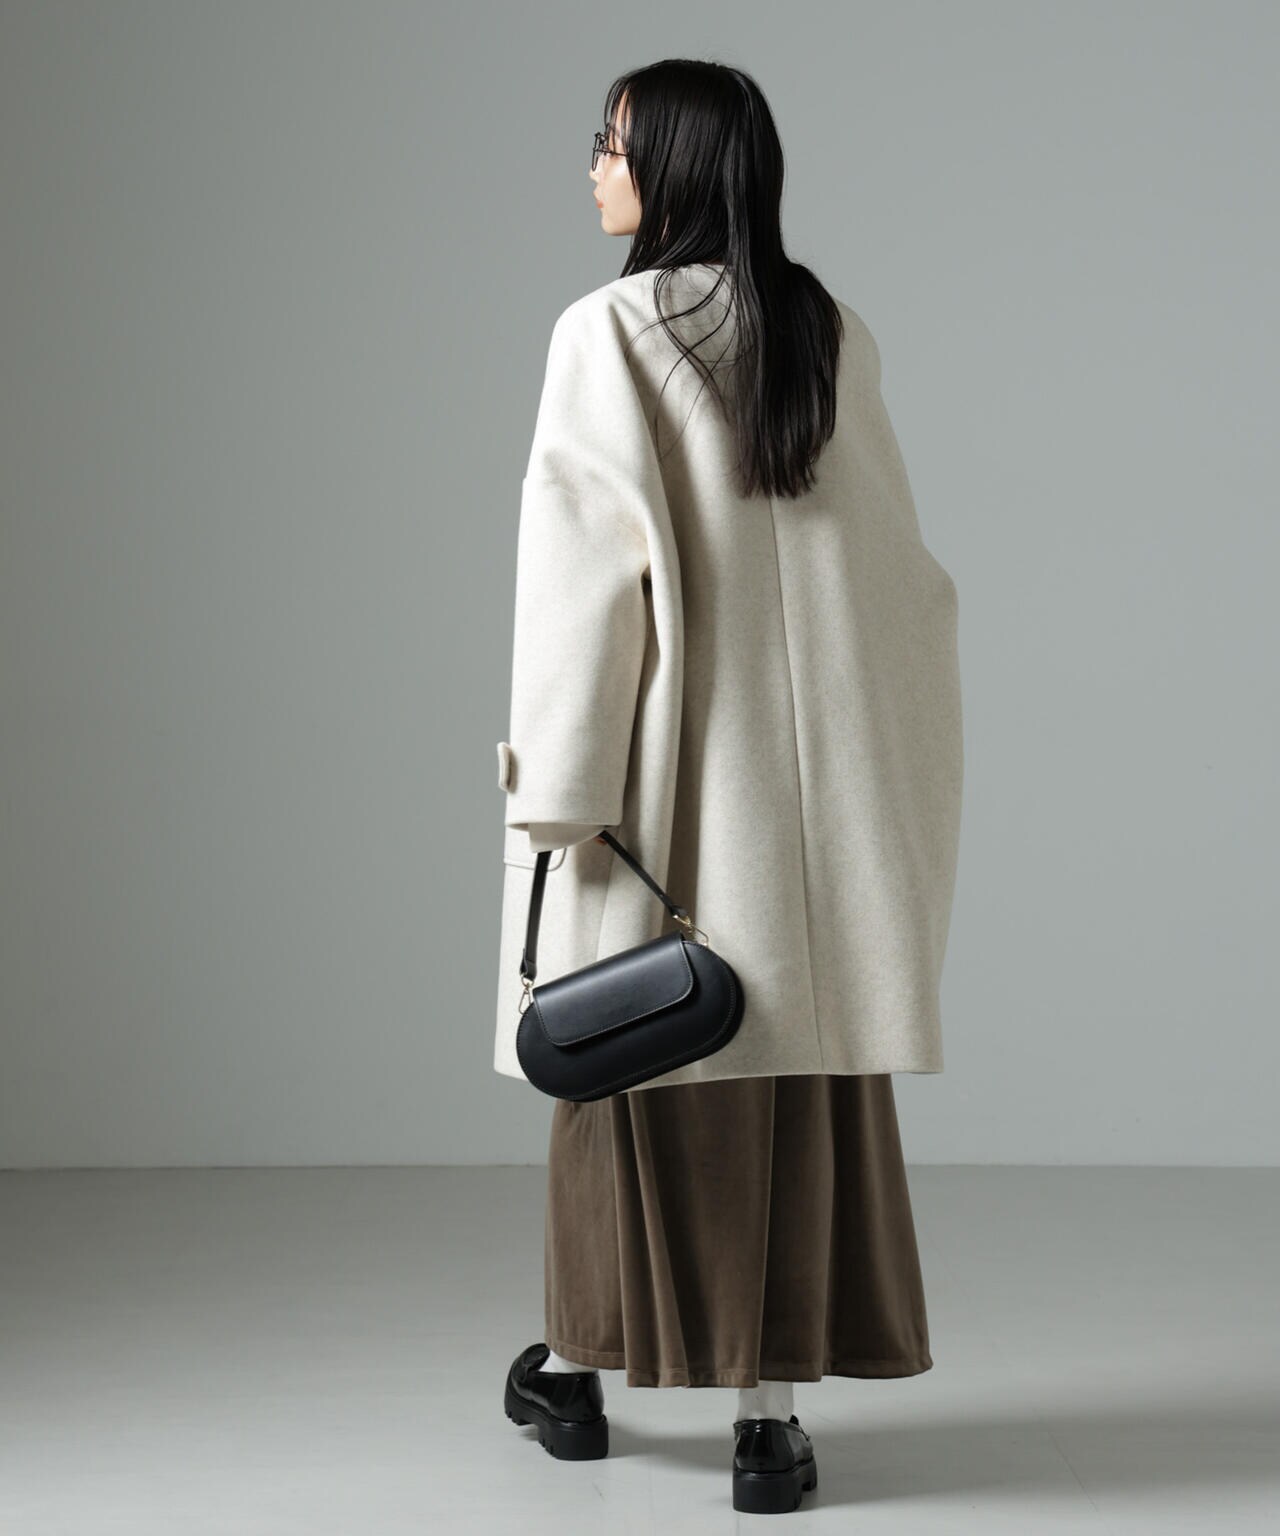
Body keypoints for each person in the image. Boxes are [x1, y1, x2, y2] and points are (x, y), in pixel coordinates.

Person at [495, 59, 963, 1516]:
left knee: (623, 1057)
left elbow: (585, 582)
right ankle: (772, 1423)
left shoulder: (608, 330)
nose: (594, 166)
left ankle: (576, 1373)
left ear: (677, 167)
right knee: (790, 1080)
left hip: (659, 789)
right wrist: (887, 785)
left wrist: (558, 790)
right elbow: (899, 581)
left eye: (613, 144)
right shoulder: (826, 329)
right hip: (809, 820)